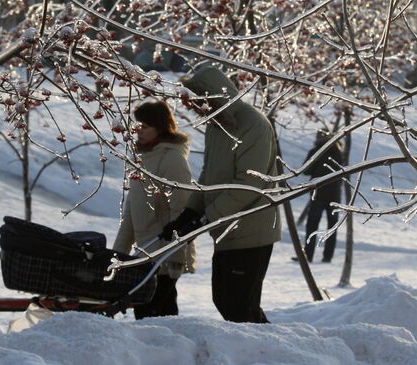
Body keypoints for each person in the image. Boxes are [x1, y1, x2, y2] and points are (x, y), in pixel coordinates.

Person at [162, 67, 281, 323]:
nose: (194, 110)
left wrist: (208, 217)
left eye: (197, 103)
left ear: (213, 98)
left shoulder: (253, 126)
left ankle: (268, 353)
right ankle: (265, 350)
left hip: (252, 229)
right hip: (228, 229)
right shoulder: (218, 127)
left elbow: (249, 183)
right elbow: (210, 174)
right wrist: (190, 212)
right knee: (227, 300)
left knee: (237, 304)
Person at [113, 99, 197, 319]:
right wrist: (117, 256)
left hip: (164, 256)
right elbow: (131, 214)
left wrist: (176, 258)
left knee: (157, 315)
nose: (138, 131)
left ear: (160, 127)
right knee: (147, 315)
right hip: (145, 255)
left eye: (145, 127)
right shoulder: (142, 160)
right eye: (136, 126)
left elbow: (181, 211)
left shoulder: (172, 159)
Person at [301, 130, 344, 263]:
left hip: (318, 194)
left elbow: (306, 171)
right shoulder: (338, 151)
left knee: (312, 226)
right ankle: (327, 257)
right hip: (334, 196)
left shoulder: (316, 151)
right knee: (331, 228)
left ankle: (308, 255)